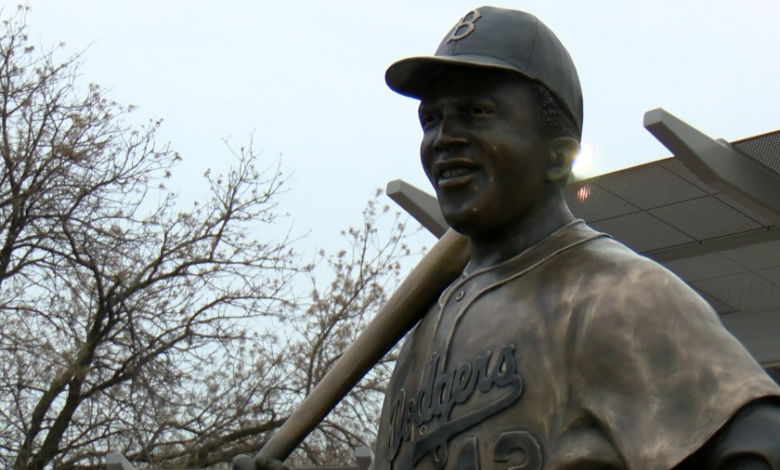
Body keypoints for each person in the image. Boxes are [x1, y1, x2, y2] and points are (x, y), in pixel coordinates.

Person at [234, 6, 780, 470]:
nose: (444, 138)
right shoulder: (423, 340)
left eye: (476, 112)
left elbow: (760, 440)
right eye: (431, 119)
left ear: (559, 156)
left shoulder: (618, 295)